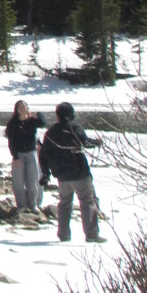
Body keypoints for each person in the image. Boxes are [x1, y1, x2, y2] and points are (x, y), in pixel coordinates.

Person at [39, 101, 103, 242]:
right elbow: (85, 142)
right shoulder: (74, 127)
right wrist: (97, 142)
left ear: (57, 115)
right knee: (87, 202)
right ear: (71, 114)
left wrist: (46, 173)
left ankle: (63, 235)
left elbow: (43, 155)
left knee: (64, 204)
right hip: (79, 172)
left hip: (62, 175)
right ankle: (91, 235)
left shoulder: (50, 133)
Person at [4, 99, 45, 211]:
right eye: (20, 107)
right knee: (18, 182)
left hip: (31, 153)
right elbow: (11, 142)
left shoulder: (32, 121)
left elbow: (43, 123)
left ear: (27, 108)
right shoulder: (13, 124)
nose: (22, 109)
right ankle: (21, 205)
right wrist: (15, 157)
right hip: (19, 154)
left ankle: (33, 204)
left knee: (33, 180)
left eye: (24, 106)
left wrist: (38, 115)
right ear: (17, 110)